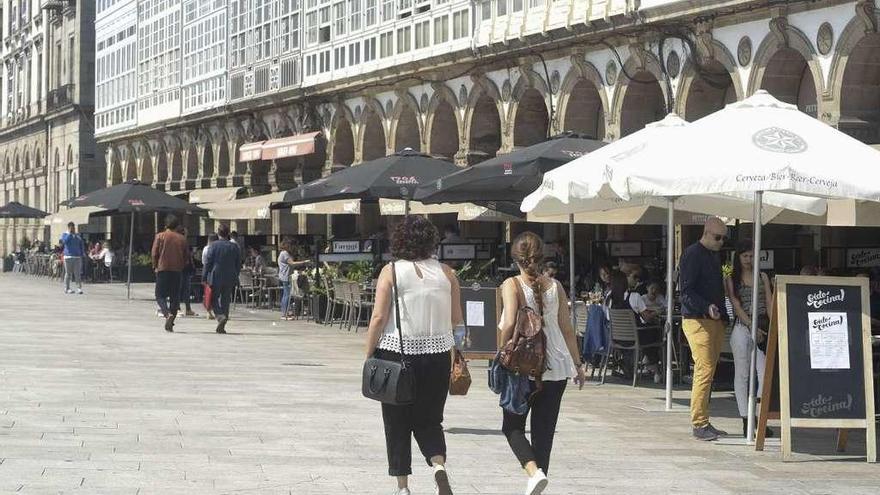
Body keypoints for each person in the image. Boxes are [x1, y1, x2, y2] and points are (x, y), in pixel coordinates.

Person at [364, 215, 462, 495]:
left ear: (400, 241)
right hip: (439, 355)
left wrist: (368, 353)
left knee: (397, 422)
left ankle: (403, 486)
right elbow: (457, 320)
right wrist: (460, 350)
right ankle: (438, 465)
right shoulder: (447, 273)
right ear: (431, 241)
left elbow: (379, 317)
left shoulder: (391, 271)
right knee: (430, 419)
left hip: (396, 354)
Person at [498, 232, 586, 495]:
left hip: (524, 365)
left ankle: (533, 472)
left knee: (512, 426)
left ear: (516, 259)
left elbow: (510, 323)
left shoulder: (511, 284)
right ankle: (538, 481)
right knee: (543, 433)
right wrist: (578, 365)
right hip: (557, 365)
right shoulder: (555, 286)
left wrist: (503, 351)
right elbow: (567, 329)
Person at [679, 217, 730, 441]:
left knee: (709, 371)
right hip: (697, 320)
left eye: (724, 238)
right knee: (704, 369)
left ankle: (704, 421)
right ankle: (699, 423)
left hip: (713, 320)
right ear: (706, 233)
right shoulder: (692, 254)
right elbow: (686, 291)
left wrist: (721, 313)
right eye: (718, 237)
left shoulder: (714, 255)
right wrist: (706, 306)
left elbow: (715, 289)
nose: (721, 242)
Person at [725, 240, 774, 438]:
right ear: (738, 257)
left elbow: (769, 303)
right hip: (742, 326)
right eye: (744, 256)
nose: (748, 259)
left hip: (762, 325)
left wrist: (772, 327)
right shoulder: (731, 277)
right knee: (742, 374)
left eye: (751, 256)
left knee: (764, 373)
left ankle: (759, 418)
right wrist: (752, 327)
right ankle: (746, 419)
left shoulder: (763, 276)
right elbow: (736, 305)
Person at [605, 270, 662, 383]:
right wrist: (656, 312)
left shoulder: (609, 299)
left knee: (649, 332)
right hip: (635, 337)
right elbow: (646, 317)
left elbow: (607, 318)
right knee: (655, 331)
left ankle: (647, 362)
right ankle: (654, 366)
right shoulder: (634, 296)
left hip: (616, 338)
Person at [151, 215, 190, 332]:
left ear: (166, 225)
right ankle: (171, 321)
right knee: (175, 297)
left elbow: (154, 253)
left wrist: (155, 266)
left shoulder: (160, 236)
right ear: (177, 226)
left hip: (163, 269)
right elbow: (186, 256)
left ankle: (167, 314)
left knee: (160, 295)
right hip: (177, 270)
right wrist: (181, 266)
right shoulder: (182, 239)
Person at [204, 224, 242, 334]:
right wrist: (236, 274)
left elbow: (208, 262)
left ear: (218, 233)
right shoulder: (234, 246)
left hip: (216, 276)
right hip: (230, 276)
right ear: (228, 233)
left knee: (213, 298)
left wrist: (204, 276)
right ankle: (223, 321)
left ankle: (220, 316)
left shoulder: (213, 245)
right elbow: (238, 263)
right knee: (226, 299)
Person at [277, 240, 310, 321]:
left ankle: (285, 312)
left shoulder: (282, 253)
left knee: (286, 294)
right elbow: (291, 263)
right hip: (286, 276)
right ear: (287, 245)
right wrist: (303, 262)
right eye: (291, 246)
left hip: (284, 275)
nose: (292, 248)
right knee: (287, 295)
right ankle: (284, 314)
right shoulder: (285, 253)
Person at [176, 226, 197, 317]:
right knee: (179, 289)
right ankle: (177, 308)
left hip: (185, 270)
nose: (186, 236)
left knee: (186, 290)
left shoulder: (183, 243)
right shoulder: (179, 243)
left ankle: (187, 309)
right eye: (185, 234)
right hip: (180, 269)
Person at [60, 222, 86, 294]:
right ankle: (67, 288)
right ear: (68, 228)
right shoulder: (65, 234)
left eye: (74, 227)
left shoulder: (77, 235)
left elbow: (81, 244)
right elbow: (65, 241)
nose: (73, 229)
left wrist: (82, 252)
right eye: (71, 228)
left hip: (77, 256)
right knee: (68, 273)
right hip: (68, 256)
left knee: (77, 273)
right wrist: (70, 234)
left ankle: (79, 288)